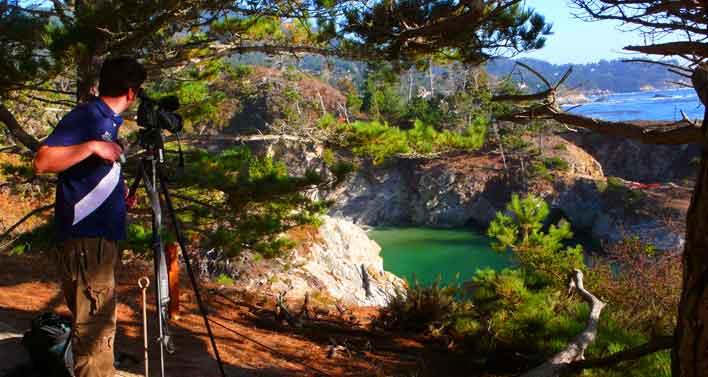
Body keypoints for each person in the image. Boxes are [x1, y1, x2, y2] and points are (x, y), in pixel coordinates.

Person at [33, 56, 146, 377]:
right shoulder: (88, 117)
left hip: (100, 237)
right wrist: (93, 146)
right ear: (131, 93)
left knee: (95, 325)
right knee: (95, 330)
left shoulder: (108, 121)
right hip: (87, 240)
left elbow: (89, 176)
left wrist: (119, 196)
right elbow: (42, 161)